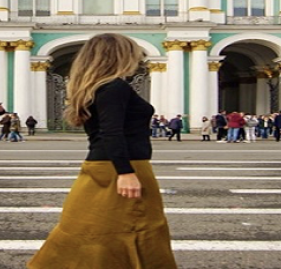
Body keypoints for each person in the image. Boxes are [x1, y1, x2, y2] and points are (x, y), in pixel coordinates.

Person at [28, 33, 177, 269]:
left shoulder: (97, 87)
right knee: (139, 228)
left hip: (103, 167)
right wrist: (125, 172)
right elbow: (112, 132)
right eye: (132, 52)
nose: (137, 58)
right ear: (119, 55)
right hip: (123, 166)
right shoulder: (114, 87)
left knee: (92, 229)